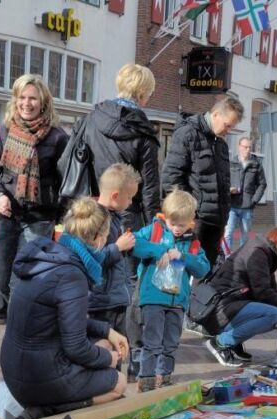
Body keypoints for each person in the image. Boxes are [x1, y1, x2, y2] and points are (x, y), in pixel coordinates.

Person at [0, 198, 128, 418]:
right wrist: (110, 360)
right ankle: (46, 411)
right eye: (107, 236)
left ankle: (47, 406)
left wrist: (106, 331)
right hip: (38, 376)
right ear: (98, 239)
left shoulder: (50, 254)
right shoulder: (71, 275)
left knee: (105, 344)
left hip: (15, 368)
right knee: (119, 383)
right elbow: (76, 347)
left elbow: (60, 320)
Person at [78, 65, 160, 380]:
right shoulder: (144, 132)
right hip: (130, 216)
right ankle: (128, 359)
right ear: (143, 93)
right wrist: (154, 228)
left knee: (91, 279)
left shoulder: (92, 119)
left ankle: (92, 351)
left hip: (94, 211)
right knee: (128, 291)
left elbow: (80, 162)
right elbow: (151, 188)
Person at [0, 74, 68, 324]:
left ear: (44, 102)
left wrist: (57, 214)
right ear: (15, 100)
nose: (27, 103)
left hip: (39, 217)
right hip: (8, 212)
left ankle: (20, 316)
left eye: (32, 98)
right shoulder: (5, 131)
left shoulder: (57, 138)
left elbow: (66, 181)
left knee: (25, 272)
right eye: (22, 98)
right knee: (2, 267)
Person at [132, 190, 209, 392]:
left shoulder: (192, 241)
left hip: (177, 302)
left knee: (171, 343)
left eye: (181, 225)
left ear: (191, 221)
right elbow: (134, 243)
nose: (176, 229)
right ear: (165, 218)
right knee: (152, 342)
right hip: (153, 298)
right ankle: (146, 379)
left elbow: (203, 267)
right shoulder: (154, 231)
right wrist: (160, 250)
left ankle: (164, 378)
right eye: (172, 224)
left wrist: (182, 257)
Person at [161, 96, 244, 268]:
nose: (228, 130)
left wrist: (225, 212)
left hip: (216, 220)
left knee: (206, 272)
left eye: (232, 127)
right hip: (194, 220)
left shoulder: (220, 143)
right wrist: (184, 214)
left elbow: (223, 180)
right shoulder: (187, 134)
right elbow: (172, 177)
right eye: (227, 125)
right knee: (183, 270)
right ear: (215, 115)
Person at [205, 226, 277, 367]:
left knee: (276, 309)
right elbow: (262, 292)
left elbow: (272, 290)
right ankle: (220, 343)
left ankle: (233, 343)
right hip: (221, 310)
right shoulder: (258, 253)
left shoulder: (265, 252)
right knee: (274, 314)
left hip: (227, 305)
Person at [88, 164, 139, 344]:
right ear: (115, 196)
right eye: (130, 198)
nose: (131, 202)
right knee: (105, 348)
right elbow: (91, 258)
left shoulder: (114, 216)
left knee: (118, 348)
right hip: (102, 301)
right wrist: (118, 247)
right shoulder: (95, 219)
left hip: (116, 298)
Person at [224, 137, 267, 251]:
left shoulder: (256, 165)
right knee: (228, 233)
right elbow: (224, 180)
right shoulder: (231, 163)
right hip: (232, 205)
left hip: (247, 206)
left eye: (249, 147)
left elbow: (262, 184)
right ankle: (226, 257)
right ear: (239, 147)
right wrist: (229, 189)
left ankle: (242, 259)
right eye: (245, 147)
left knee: (245, 236)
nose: (248, 150)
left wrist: (254, 200)